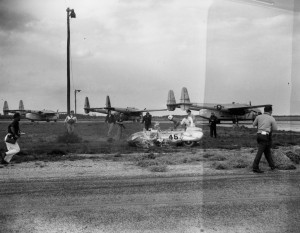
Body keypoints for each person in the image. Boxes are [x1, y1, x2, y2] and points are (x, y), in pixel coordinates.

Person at [252, 105, 277, 173]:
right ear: (270, 111)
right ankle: (255, 167)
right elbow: (275, 128)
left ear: (264, 110)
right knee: (260, 152)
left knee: (267, 151)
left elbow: (253, 124)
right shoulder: (271, 118)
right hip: (265, 135)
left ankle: (272, 166)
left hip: (259, 134)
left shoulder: (258, 116)